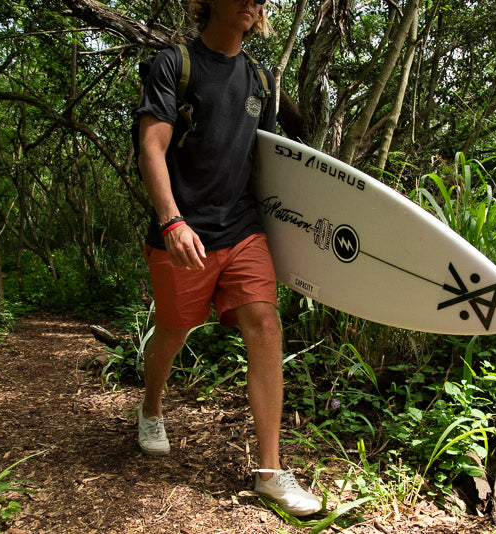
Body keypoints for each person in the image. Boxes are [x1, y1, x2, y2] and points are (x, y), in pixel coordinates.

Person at [134, 0, 321, 517]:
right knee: (173, 332)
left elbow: (268, 163)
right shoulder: (175, 64)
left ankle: (270, 472)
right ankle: (151, 407)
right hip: (183, 231)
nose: (252, 2)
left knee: (265, 323)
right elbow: (151, 147)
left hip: (242, 228)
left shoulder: (260, 78)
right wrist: (171, 221)